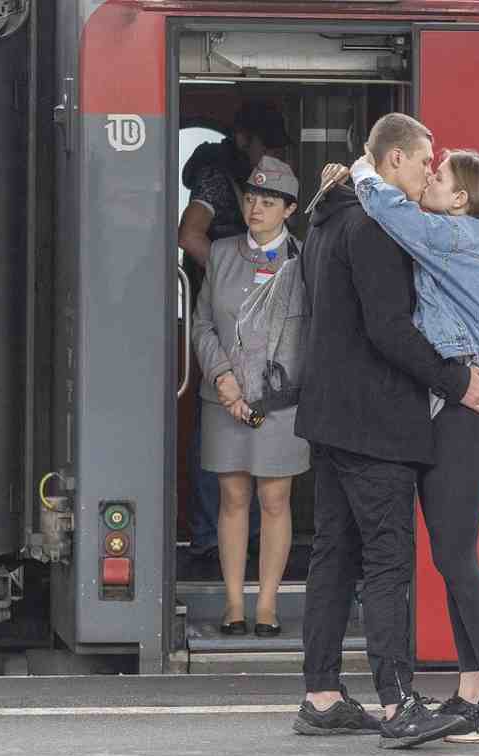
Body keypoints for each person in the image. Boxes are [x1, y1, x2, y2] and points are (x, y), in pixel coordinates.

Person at [292, 113, 479, 748]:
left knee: (333, 555)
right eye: (424, 159)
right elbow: (389, 329)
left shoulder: (325, 220)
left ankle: (322, 694)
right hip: (374, 421)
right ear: (394, 162)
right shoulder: (376, 226)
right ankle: (398, 702)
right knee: (387, 562)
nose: (429, 170)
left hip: (326, 416)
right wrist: (454, 381)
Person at [191, 155, 308, 638]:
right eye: (251, 196)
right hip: (225, 397)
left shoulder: (306, 261)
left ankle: (268, 604)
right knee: (232, 496)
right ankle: (234, 603)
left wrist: (263, 395)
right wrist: (223, 378)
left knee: (275, 498)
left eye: (269, 200)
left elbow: (313, 337)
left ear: (290, 209)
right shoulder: (221, 253)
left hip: (279, 404)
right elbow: (201, 324)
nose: (255, 205)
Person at [178, 101, 290, 561]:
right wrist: (239, 276)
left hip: (248, 321)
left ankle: (245, 538)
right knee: (222, 429)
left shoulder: (245, 182)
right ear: (244, 140)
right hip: (226, 319)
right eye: (265, 147)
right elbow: (189, 234)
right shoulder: (218, 180)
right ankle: (209, 538)